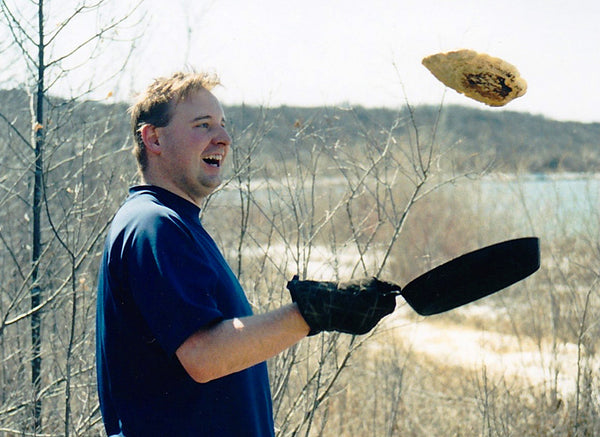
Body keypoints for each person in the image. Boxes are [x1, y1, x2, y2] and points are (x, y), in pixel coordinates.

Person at [96, 71, 400, 436]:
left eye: (222, 125)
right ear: (154, 138)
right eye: (203, 125)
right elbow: (204, 356)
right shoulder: (155, 225)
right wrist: (314, 312)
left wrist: (321, 311)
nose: (223, 138)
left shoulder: (172, 224)